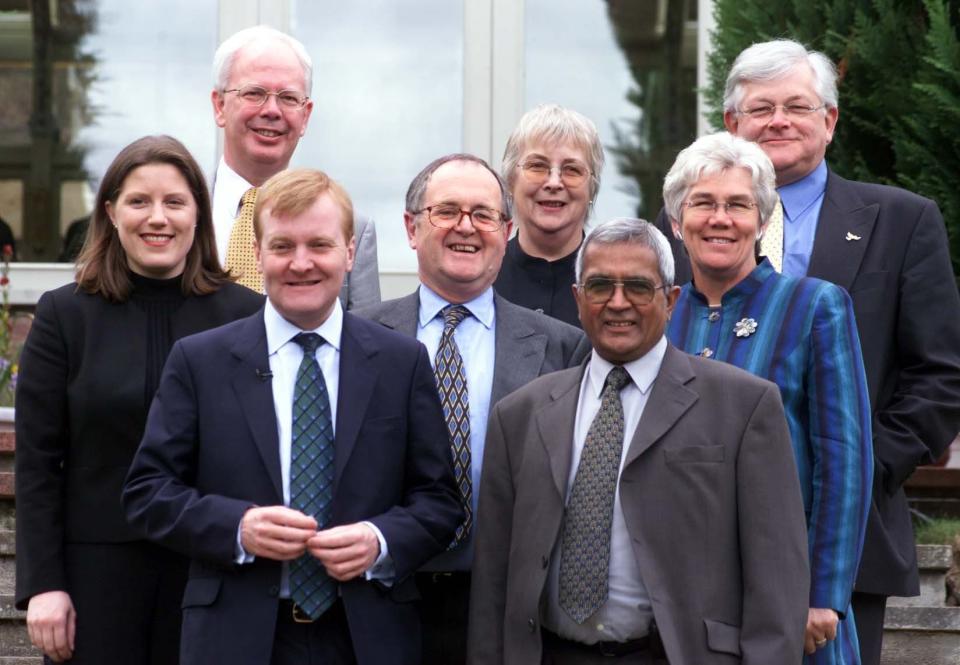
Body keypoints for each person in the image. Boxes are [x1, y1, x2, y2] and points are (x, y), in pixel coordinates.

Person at [656, 39, 960, 665]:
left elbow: (941, 375)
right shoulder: (679, 229)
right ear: (732, 125)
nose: (780, 121)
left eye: (798, 105)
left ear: (830, 121)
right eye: (760, 108)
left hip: (848, 539)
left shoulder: (902, 220)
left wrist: (862, 471)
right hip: (688, 542)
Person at [123, 168, 462, 665]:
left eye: (319, 245)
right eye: (282, 246)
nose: (301, 264)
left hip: (367, 635)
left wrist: (380, 540)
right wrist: (238, 527)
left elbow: (440, 502)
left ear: (349, 252)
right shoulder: (200, 361)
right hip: (235, 636)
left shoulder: (401, 362)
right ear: (257, 254)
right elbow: (148, 492)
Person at [468, 217, 810, 664]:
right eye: (599, 286)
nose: (617, 302)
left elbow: (777, 578)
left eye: (638, 287)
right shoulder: (520, 414)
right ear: (577, 299)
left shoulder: (743, 406)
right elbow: (494, 581)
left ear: (670, 300)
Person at [14, 135, 264, 664]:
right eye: (138, 202)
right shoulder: (65, 315)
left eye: (174, 202)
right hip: (93, 580)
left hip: (212, 573)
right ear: (110, 212)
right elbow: (38, 463)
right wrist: (43, 585)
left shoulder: (248, 317)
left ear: (199, 212)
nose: (158, 218)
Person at [356, 153, 589, 665]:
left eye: (483, 215)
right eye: (447, 212)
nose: (467, 227)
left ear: (506, 232)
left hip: (504, 605)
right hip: (380, 600)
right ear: (411, 228)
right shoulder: (358, 337)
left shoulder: (562, 347)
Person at [664, 132, 872, 664]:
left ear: (762, 221)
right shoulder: (659, 317)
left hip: (788, 596)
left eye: (738, 205)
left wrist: (823, 595)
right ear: (675, 221)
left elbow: (844, 459)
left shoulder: (814, 306)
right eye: (703, 203)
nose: (720, 218)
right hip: (676, 595)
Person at [210, 25, 380, 307]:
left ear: (306, 116)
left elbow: (364, 342)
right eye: (254, 93)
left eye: (288, 98)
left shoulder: (354, 231)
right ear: (219, 106)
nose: (272, 111)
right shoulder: (177, 217)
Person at [493, 104, 604, 328]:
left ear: (591, 189)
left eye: (572, 169)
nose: (554, 182)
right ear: (511, 182)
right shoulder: (483, 276)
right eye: (537, 166)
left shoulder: (612, 282)